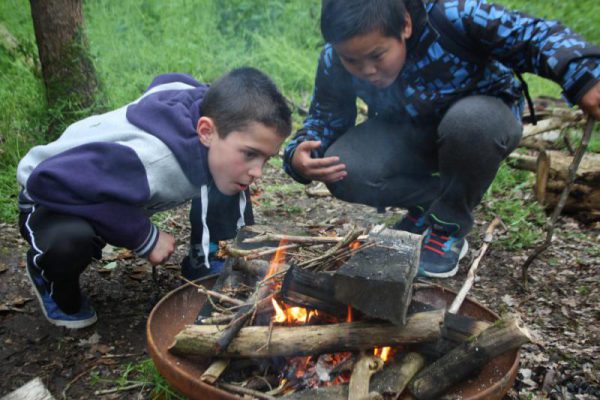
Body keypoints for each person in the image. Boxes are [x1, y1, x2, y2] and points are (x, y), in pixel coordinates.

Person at [284, 0, 600, 278]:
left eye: (377, 55)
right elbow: (326, 118)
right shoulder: (335, 60)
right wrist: (300, 153)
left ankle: (448, 225)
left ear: (405, 24)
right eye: (352, 61)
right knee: (342, 168)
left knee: (469, 123)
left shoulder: (454, 15)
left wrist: (583, 75)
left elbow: (534, 34)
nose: (366, 70)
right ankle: (431, 206)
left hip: (481, 124)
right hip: (408, 133)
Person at [17, 67, 292, 329]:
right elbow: (47, 180)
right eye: (250, 153)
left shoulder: (208, 112)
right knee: (69, 242)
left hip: (102, 179)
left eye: (266, 159)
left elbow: (171, 80)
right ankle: (48, 277)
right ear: (205, 131)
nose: (258, 172)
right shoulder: (152, 161)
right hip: (52, 192)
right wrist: (142, 235)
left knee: (229, 171)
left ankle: (206, 256)